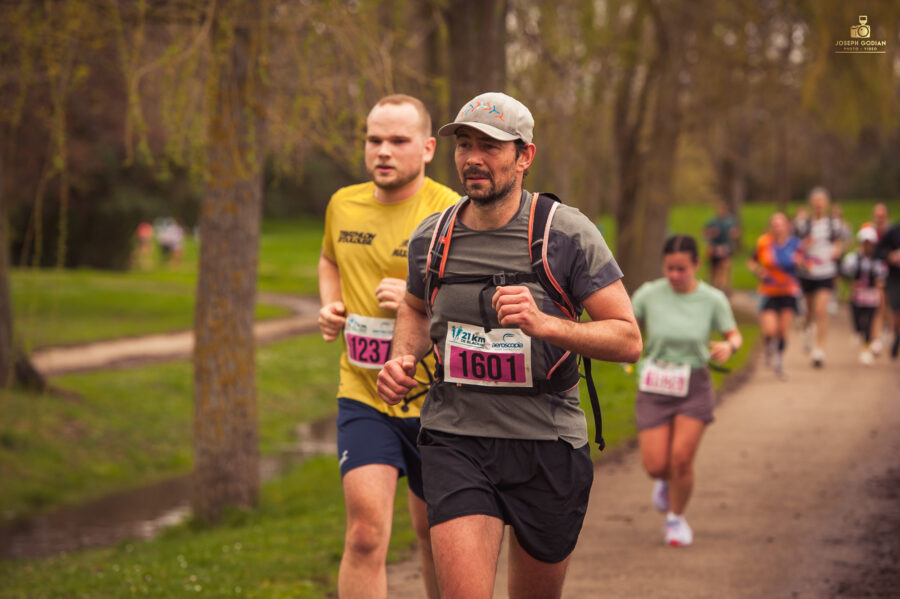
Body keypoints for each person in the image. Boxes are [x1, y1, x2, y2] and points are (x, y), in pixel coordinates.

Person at [377, 92, 642, 599]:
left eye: (491, 147)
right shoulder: (431, 239)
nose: (473, 158)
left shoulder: (565, 234)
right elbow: (414, 307)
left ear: (525, 156)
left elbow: (628, 339)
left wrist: (548, 325)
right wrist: (403, 359)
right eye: (465, 145)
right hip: (456, 436)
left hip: (546, 442)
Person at [317, 94, 459, 599]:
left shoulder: (447, 211)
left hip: (439, 399)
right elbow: (329, 259)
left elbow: (474, 296)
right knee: (363, 536)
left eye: (398, 141)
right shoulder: (342, 203)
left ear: (425, 149)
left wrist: (417, 299)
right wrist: (331, 303)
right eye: (374, 139)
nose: (383, 151)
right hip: (363, 392)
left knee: (435, 536)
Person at [631, 234, 742, 547]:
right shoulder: (649, 294)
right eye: (669, 269)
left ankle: (676, 520)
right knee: (655, 465)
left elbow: (734, 334)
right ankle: (665, 482)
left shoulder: (712, 299)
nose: (675, 276)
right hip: (654, 383)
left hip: (693, 383)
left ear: (696, 265)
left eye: (682, 269)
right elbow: (623, 321)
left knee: (681, 458)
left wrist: (729, 346)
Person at [747, 212, 804, 379]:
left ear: (787, 226)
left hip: (788, 291)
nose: (778, 228)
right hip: (769, 291)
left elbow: (804, 262)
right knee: (770, 329)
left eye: (781, 224)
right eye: (775, 224)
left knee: (783, 330)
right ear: (771, 227)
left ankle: (779, 361)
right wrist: (758, 270)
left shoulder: (795, 244)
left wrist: (801, 262)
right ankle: (769, 347)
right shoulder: (764, 243)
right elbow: (752, 261)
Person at [793, 187, 844, 367]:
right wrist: (804, 251)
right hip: (807, 272)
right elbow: (796, 248)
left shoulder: (834, 223)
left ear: (826, 203)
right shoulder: (803, 224)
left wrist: (837, 250)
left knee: (821, 310)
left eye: (822, 200)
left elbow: (840, 242)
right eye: (816, 200)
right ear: (811, 203)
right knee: (809, 312)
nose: (819, 204)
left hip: (826, 272)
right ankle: (807, 330)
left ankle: (819, 350)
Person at [840, 226, 887, 365]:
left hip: (872, 296)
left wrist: (879, 283)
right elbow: (844, 273)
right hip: (857, 296)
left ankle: (867, 347)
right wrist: (852, 283)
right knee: (858, 322)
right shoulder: (853, 259)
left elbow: (882, 276)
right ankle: (862, 337)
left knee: (869, 322)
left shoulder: (878, 260)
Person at [875, 217, 900, 359]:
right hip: (896, 278)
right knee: (896, 312)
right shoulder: (894, 232)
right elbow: (878, 251)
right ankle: (897, 335)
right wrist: (890, 256)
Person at [703, 201, 739, 295]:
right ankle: (712, 286)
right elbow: (705, 233)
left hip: (726, 247)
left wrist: (733, 234)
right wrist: (711, 234)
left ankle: (723, 288)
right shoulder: (712, 221)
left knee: (724, 267)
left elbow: (735, 234)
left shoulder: (730, 221)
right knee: (713, 269)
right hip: (714, 247)